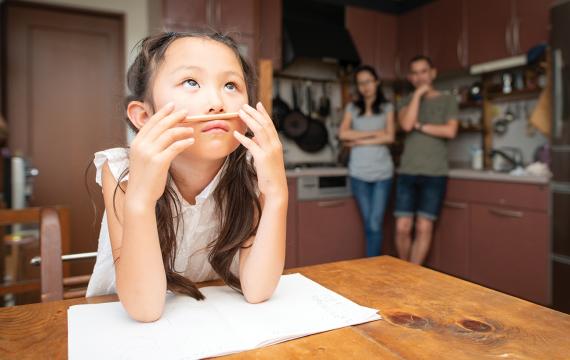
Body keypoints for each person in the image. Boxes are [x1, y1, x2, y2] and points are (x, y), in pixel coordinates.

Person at [86, 31, 288, 322]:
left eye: (231, 85)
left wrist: (277, 193)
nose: (217, 102)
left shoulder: (250, 168)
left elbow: (258, 290)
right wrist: (141, 200)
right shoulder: (121, 170)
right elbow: (144, 310)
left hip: (212, 318)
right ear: (143, 117)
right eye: (191, 82)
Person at [395, 55, 459, 265]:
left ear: (433, 73)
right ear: (410, 77)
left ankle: (413, 275)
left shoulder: (448, 99)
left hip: (435, 172)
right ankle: (405, 272)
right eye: (414, 73)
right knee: (402, 227)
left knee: (424, 227)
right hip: (407, 171)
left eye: (424, 71)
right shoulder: (405, 101)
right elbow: (406, 125)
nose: (420, 76)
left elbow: (450, 131)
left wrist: (420, 126)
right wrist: (417, 96)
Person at [339, 65, 395, 257]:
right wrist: (374, 134)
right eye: (361, 83)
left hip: (383, 173)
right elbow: (343, 133)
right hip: (358, 174)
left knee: (374, 223)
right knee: (369, 224)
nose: (365, 86)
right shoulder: (352, 108)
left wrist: (359, 140)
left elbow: (390, 137)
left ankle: (373, 266)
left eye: (368, 81)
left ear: (377, 82)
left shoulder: (387, 108)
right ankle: (372, 265)